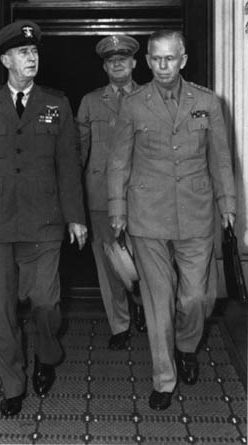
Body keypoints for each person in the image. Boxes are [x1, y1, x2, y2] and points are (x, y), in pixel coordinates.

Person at [0, 20, 87, 417]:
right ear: (6, 59)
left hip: (44, 222)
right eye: (24, 52)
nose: (32, 57)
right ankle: (13, 383)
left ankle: (47, 355)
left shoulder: (55, 103)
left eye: (35, 52)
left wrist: (75, 217)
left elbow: (67, 165)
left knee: (46, 302)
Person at [108, 30, 236, 410]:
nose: (162, 66)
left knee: (197, 298)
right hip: (147, 217)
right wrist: (117, 210)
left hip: (196, 215)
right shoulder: (133, 104)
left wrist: (228, 204)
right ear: (147, 60)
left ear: (182, 59)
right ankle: (164, 379)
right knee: (158, 301)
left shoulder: (208, 102)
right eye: (156, 59)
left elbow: (222, 159)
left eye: (170, 59)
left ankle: (187, 345)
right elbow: (118, 161)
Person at [76, 35, 146, 351]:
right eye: (111, 59)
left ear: (134, 63)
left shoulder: (149, 98)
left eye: (123, 58)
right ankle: (120, 324)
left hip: (142, 197)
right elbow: (79, 151)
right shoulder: (91, 102)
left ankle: (144, 304)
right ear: (105, 66)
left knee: (144, 261)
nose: (117, 63)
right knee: (109, 265)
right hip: (100, 197)